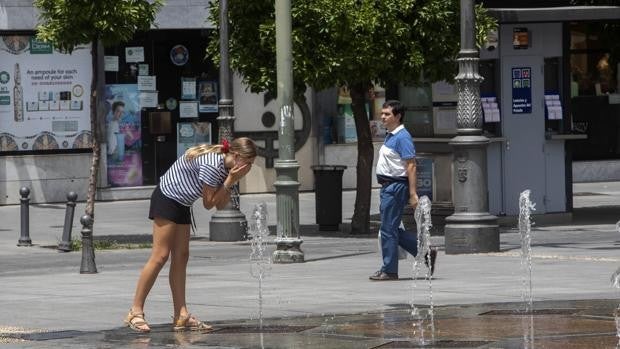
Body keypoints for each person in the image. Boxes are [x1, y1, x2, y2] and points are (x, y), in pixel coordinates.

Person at [124, 137, 257, 332]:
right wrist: (230, 180)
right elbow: (209, 203)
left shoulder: (226, 168)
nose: (249, 168)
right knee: (160, 256)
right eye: (249, 163)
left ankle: (181, 314)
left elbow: (220, 204)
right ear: (237, 156)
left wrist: (231, 181)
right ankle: (135, 312)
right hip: (167, 198)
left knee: (181, 257)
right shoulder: (213, 164)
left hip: (182, 203)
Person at [369, 100, 437, 281]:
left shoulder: (403, 137)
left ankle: (390, 270)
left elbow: (411, 165)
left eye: (387, 114)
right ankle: (424, 252)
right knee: (388, 229)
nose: (383, 117)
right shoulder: (391, 135)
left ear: (397, 116)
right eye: (382, 113)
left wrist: (413, 194)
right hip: (387, 187)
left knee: (388, 229)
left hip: (395, 186)